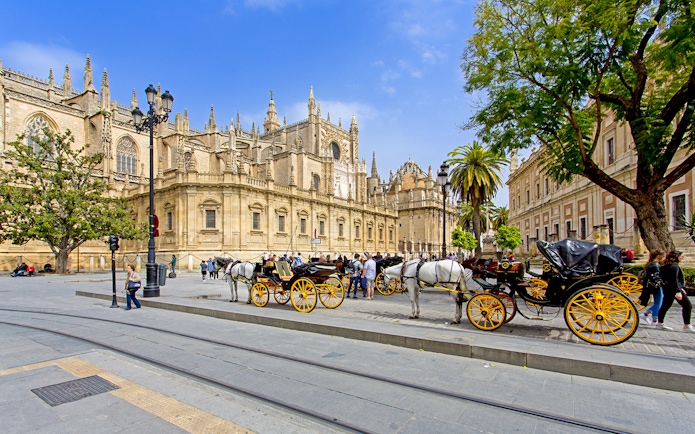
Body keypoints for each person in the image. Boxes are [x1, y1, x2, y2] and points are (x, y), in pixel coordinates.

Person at [656, 251, 693, 332]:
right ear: (676, 257)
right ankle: (687, 325)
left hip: (668, 289)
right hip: (674, 290)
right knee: (687, 305)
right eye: (681, 256)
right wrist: (678, 291)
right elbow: (674, 280)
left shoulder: (666, 266)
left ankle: (660, 323)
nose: (682, 257)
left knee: (665, 305)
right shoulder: (674, 267)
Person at [639, 249, 665, 325]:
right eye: (663, 256)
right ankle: (654, 319)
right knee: (658, 302)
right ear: (658, 256)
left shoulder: (650, 263)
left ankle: (646, 314)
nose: (664, 258)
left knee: (658, 302)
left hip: (650, 285)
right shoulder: (654, 265)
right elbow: (655, 277)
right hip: (655, 286)